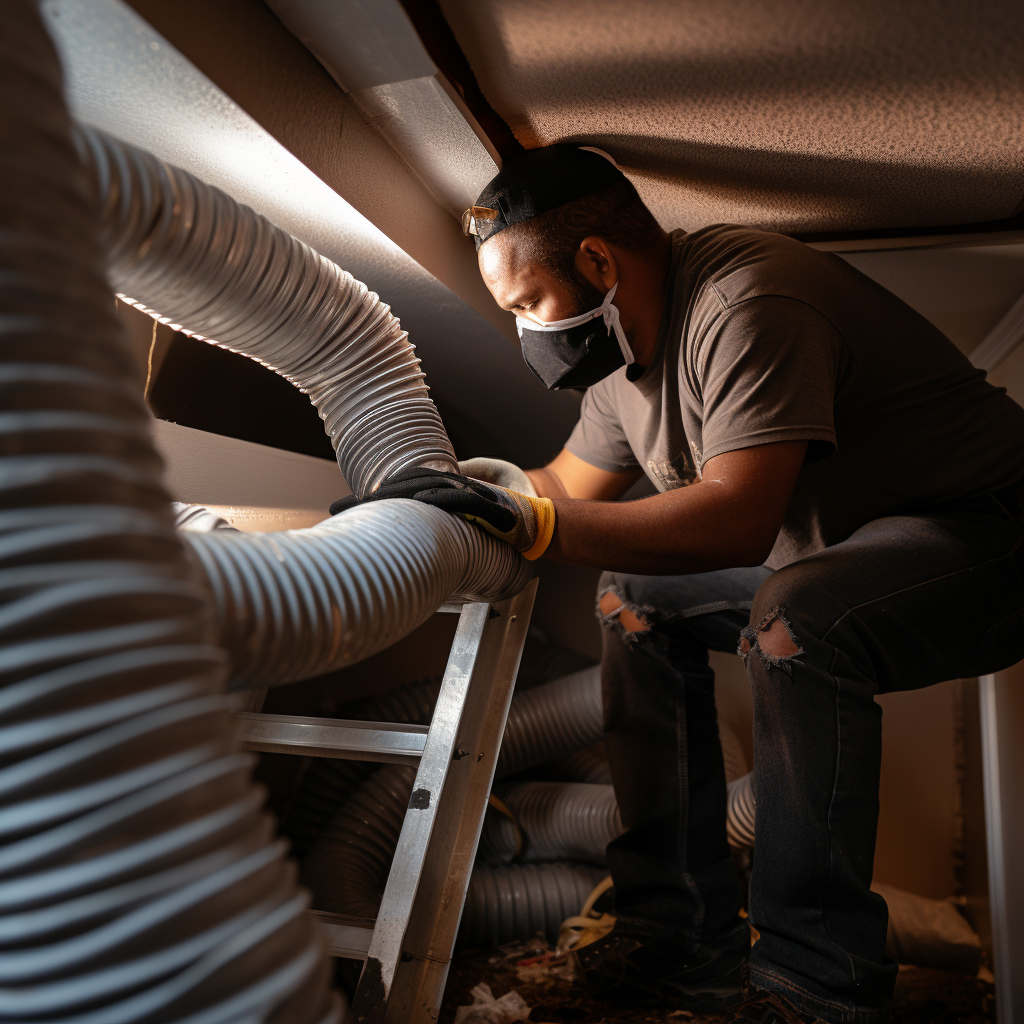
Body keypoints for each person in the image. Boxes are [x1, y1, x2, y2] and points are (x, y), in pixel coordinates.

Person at [333, 145, 1024, 1023]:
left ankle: (818, 989)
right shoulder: (626, 364)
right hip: (845, 551)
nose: (525, 334)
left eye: (528, 303)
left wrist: (529, 523)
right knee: (632, 595)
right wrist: (434, 502)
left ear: (597, 262)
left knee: (795, 614)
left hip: (992, 535)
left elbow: (735, 520)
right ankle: (675, 933)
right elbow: (562, 492)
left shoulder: (746, 302)